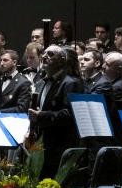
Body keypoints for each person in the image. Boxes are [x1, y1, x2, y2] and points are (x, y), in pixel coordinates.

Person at [28, 45, 84, 179]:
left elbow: (70, 115)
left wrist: (41, 116)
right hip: (40, 143)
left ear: (62, 60)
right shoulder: (41, 83)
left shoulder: (71, 83)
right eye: (44, 53)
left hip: (59, 145)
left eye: (51, 54)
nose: (45, 56)